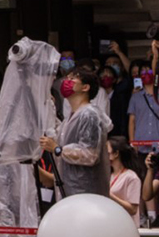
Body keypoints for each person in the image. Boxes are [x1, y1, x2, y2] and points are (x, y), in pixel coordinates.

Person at [43, 65, 111, 197]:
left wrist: (58, 150)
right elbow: (56, 137)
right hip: (69, 188)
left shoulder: (89, 115)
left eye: (72, 79)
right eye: (66, 78)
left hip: (86, 191)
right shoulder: (69, 118)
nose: (66, 82)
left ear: (85, 87)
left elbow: (90, 154)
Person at [108, 136, 143, 221]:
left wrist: (110, 196)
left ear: (116, 154)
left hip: (126, 226)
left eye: (107, 152)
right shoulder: (108, 175)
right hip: (111, 223)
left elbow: (133, 209)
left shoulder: (131, 177)